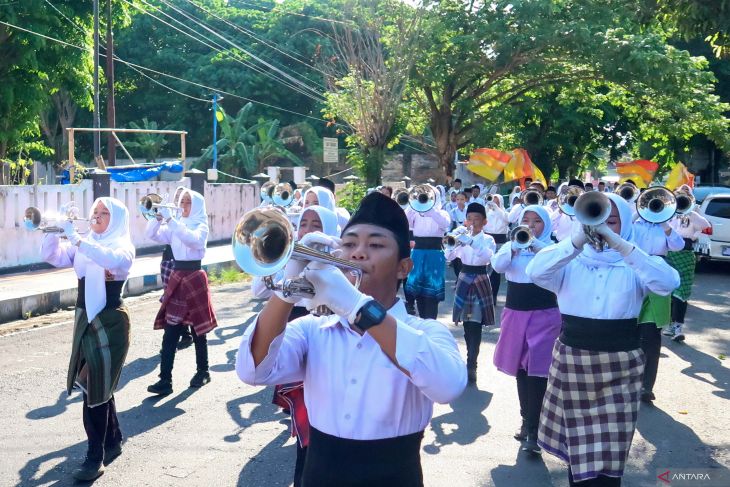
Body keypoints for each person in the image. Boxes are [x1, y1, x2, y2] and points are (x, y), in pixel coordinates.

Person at [236, 192, 467, 486]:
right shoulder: (312, 330)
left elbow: (447, 386)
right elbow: (252, 370)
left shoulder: (427, 333)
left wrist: (356, 306)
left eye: (375, 244)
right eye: (348, 244)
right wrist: (287, 286)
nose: (358, 253)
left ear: (403, 267)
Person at [526, 193, 679, 486]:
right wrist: (575, 241)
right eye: (596, 221)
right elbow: (535, 271)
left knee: (611, 457)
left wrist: (620, 244)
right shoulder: (569, 262)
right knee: (579, 454)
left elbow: (668, 282)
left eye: (612, 222)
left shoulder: (634, 264)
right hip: (574, 363)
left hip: (620, 366)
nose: (602, 228)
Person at [42, 198, 135, 481]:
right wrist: (50, 229)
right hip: (85, 319)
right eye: (95, 211)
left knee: (94, 385)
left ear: (117, 218)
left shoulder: (123, 246)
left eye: (104, 213)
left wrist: (76, 237)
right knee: (98, 384)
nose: (96, 216)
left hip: (110, 321)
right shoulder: (83, 243)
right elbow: (53, 256)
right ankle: (113, 439)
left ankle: (94, 457)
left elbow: (110, 260)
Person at [251, 205, 339, 487]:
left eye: (317, 223)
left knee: (322, 425)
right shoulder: (291, 257)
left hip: (328, 336)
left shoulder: (339, 259)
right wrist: (292, 265)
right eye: (304, 223)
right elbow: (258, 290)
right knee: (304, 425)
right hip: (295, 327)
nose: (309, 229)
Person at [492, 204, 559, 455]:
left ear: (547, 225)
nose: (531, 226)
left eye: (537, 222)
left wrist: (535, 245)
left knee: (538, 370)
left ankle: (535, 428)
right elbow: (498, 266)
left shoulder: (552, 247)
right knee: (521, 367)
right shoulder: (513, 246)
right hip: (515, 312)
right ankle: (526, 418)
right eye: (526, 221)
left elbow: (557, 263)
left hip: (545, 314)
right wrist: (513, 245)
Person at [147, 189, 218, 395]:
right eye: (182, 201)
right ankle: (165, 380)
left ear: (196, 205)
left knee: (198, 331)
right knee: (170, 332)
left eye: (188, 202)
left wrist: (171, 220)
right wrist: (156, 217)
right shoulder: (174, 223)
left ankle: (203, 371)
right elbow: (152, 235)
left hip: (194, 276)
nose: (183, 205)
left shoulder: (200, 225)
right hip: (178, 275)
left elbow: (193, 240)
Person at [632, 214, 683, 403]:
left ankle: (646, 386)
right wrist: (637, 212)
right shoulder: (634, 224)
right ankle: (629, 382)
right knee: (630, 335)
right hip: (633, 274)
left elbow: (678, 245)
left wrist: (665, 223)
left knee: (652, 338)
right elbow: (620, 235)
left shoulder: (664, 225)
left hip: (658, 276)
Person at [445, 203, 496, 384]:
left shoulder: (488, 239)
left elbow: (487, 257)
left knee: (476, 323)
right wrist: (452, 244)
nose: (472, 223)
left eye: (477, 219)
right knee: (467, 323)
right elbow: (449, 257)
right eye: (470, 219)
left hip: (480, 277)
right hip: (465, 277)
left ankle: (472, 363)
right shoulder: (461, 236)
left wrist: (472, 242)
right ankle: (469, 358)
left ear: (484, 222)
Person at [664, 188, 710, 341]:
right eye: (678, 197)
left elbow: (706, 225)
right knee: (669, 290)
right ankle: (670, 325)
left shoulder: (692, 215)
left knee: (681, 292)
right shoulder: (668, 214)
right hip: (669, 253)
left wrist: (695, 233)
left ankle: (678, 326)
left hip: (685, 253)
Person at [155, 186, 194, 350]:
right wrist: (157, 218)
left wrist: (171, 219)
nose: (180, 201)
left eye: (184, 198)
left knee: (181, 298)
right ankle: (181, 333)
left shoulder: (189, 219)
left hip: (181, 263)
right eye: (178, 197)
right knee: (169, 295)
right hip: (167, 259)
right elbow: (156, 233)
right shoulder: (170, 213)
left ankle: (186, 333)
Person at [405, 189, 451, 318]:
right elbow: (404, 221)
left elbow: (445, 224)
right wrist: (413, 205)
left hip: (435, 252)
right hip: (418, 251)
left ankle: (431, 319)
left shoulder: (442, 212)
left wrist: (430, 210)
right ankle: (421, 317)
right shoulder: (415, 212)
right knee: (418, 289)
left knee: (432, 289)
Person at [484, 194, 509, 301]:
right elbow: (482, 218)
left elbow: (506, 220)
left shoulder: (505, 213)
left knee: (495, 270)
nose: (494, 203)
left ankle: (494, 295)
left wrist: (496, 208)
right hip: (488, 241)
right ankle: (485, 295)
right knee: (485, 269)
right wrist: (487, 206)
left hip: (500, 242)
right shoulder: (487, 212)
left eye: (497, 201)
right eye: (492, 201)